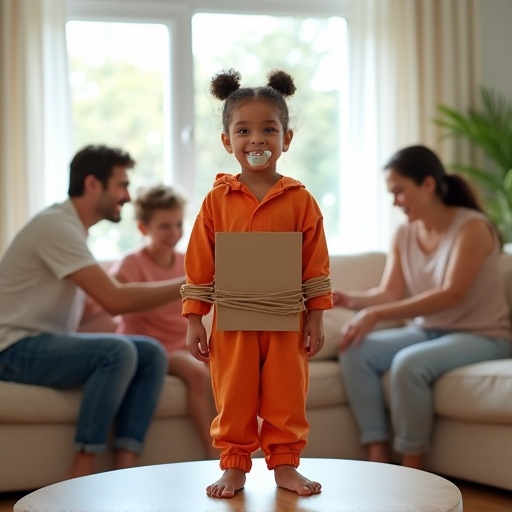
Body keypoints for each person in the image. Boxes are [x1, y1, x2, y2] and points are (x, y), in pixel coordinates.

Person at [181, 68, 333, 499]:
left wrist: (317, 316)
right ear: (227, 141)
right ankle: (234, 467)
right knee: (235, 396)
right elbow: (199, 265)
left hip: (287, 317)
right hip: (231, 321)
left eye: (269, 129)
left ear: (287, 138)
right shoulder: (216, 201)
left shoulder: (301, 200)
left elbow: (316, 265)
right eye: (243, 130)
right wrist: (195, 319)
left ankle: (285, 466)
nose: (257, 139)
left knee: (287, 395)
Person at [0, 144, 185, 479]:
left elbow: (94, 307)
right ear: (92, 184)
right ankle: (81, 470)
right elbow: (115, 299)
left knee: (150, 353)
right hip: (13, 349)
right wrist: (194, 284)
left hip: (41, 343)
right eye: (121, 185)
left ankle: (124, 470)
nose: (127, 197)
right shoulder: (55, 226)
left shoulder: (72, 230)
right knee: (116, 351)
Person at [335, 144, 512, 469]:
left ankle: (411, 469)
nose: (395, 201)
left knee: (408, 365)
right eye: (392, 193)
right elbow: (390, 292)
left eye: (400, 191)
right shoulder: (403, 234)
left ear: (428, 185)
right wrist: (349, 298)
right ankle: (376, 453)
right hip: (428, 330)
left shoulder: (472, 227)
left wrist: (374, 314)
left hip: (483, 336)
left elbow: (451, 295)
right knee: (354, 350)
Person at [109, 184, 218, 459]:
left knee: (233, 367)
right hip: (153, 348)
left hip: (184, 342)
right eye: (164, 226)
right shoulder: (130, 264)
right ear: (144, 229)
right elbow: (110, 301)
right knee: (196, 373)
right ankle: (212, 451)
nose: (174, 233)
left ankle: (241, 444)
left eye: (178, 224)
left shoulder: (187, 260)